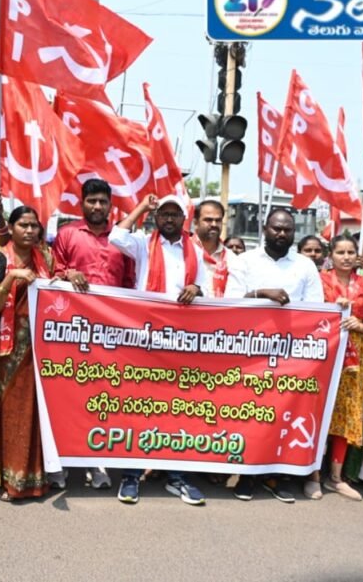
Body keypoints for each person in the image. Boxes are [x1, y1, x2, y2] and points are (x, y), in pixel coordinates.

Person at [108, 194, 207, 506]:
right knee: (139, 407)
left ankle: (176, 477)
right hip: (145, 338)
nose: (168, 219)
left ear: (183, 219)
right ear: (156, 217)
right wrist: (142, 208)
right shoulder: (142, 242)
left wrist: (197, 289)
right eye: (163, 214)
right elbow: (115, 236)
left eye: (174, 214)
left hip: (181, 341)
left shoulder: (197, 251)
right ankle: (131, 476)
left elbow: (206, 290)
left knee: (177, 409)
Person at [225, 208, 323, 503]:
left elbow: (317, 309)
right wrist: (261, 294)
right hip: (251, 353)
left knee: (282, 415)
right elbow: (228, 302)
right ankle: (246, 476)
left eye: (288, 230)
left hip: (291, 354)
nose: (282, 234)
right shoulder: (245, 261)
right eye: (277, 229)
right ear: (265, 228)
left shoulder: (305, 265)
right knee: (253, 415)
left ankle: (276, 477)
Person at [51, 179, 134, 489]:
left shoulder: (123, 239)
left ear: (111, 205)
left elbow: (129, 285)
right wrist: (67, 273)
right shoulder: (67, 234)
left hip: (110, 335)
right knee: (67, 395)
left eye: (103, 202)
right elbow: (51, 272)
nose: (97, 207)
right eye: (92, 201)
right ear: (82, 203)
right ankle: (59, 463)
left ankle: (97, 463)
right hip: (70, 331)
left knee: (102, 397)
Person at [0, 207, 54, 501]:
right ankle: (6, 479)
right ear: (10, 228)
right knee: (10, 411)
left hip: (41, 347)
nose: (29, 230)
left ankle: (32, 479)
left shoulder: (46, 259)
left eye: (34, 226)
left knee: (36, 413)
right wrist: (11, 278)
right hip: (8, 348)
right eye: (23, 225)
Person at [318, 235, 363, 501]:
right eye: (340, 251)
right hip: (323, 354)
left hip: (355, 358)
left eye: (350, 251)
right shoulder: (320, 281)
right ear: (331, 254)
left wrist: (358, 324)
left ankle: (336, 477)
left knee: (345, 414)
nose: (345, 256)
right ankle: (312, 475)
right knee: (319, 412)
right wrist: (334, 309)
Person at [192, 199, 235, 298]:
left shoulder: (231, 259)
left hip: (219, 312)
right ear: (195, 223)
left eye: (218, 220)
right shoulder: (184, 252)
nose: (214, 224)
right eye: (208, 220)